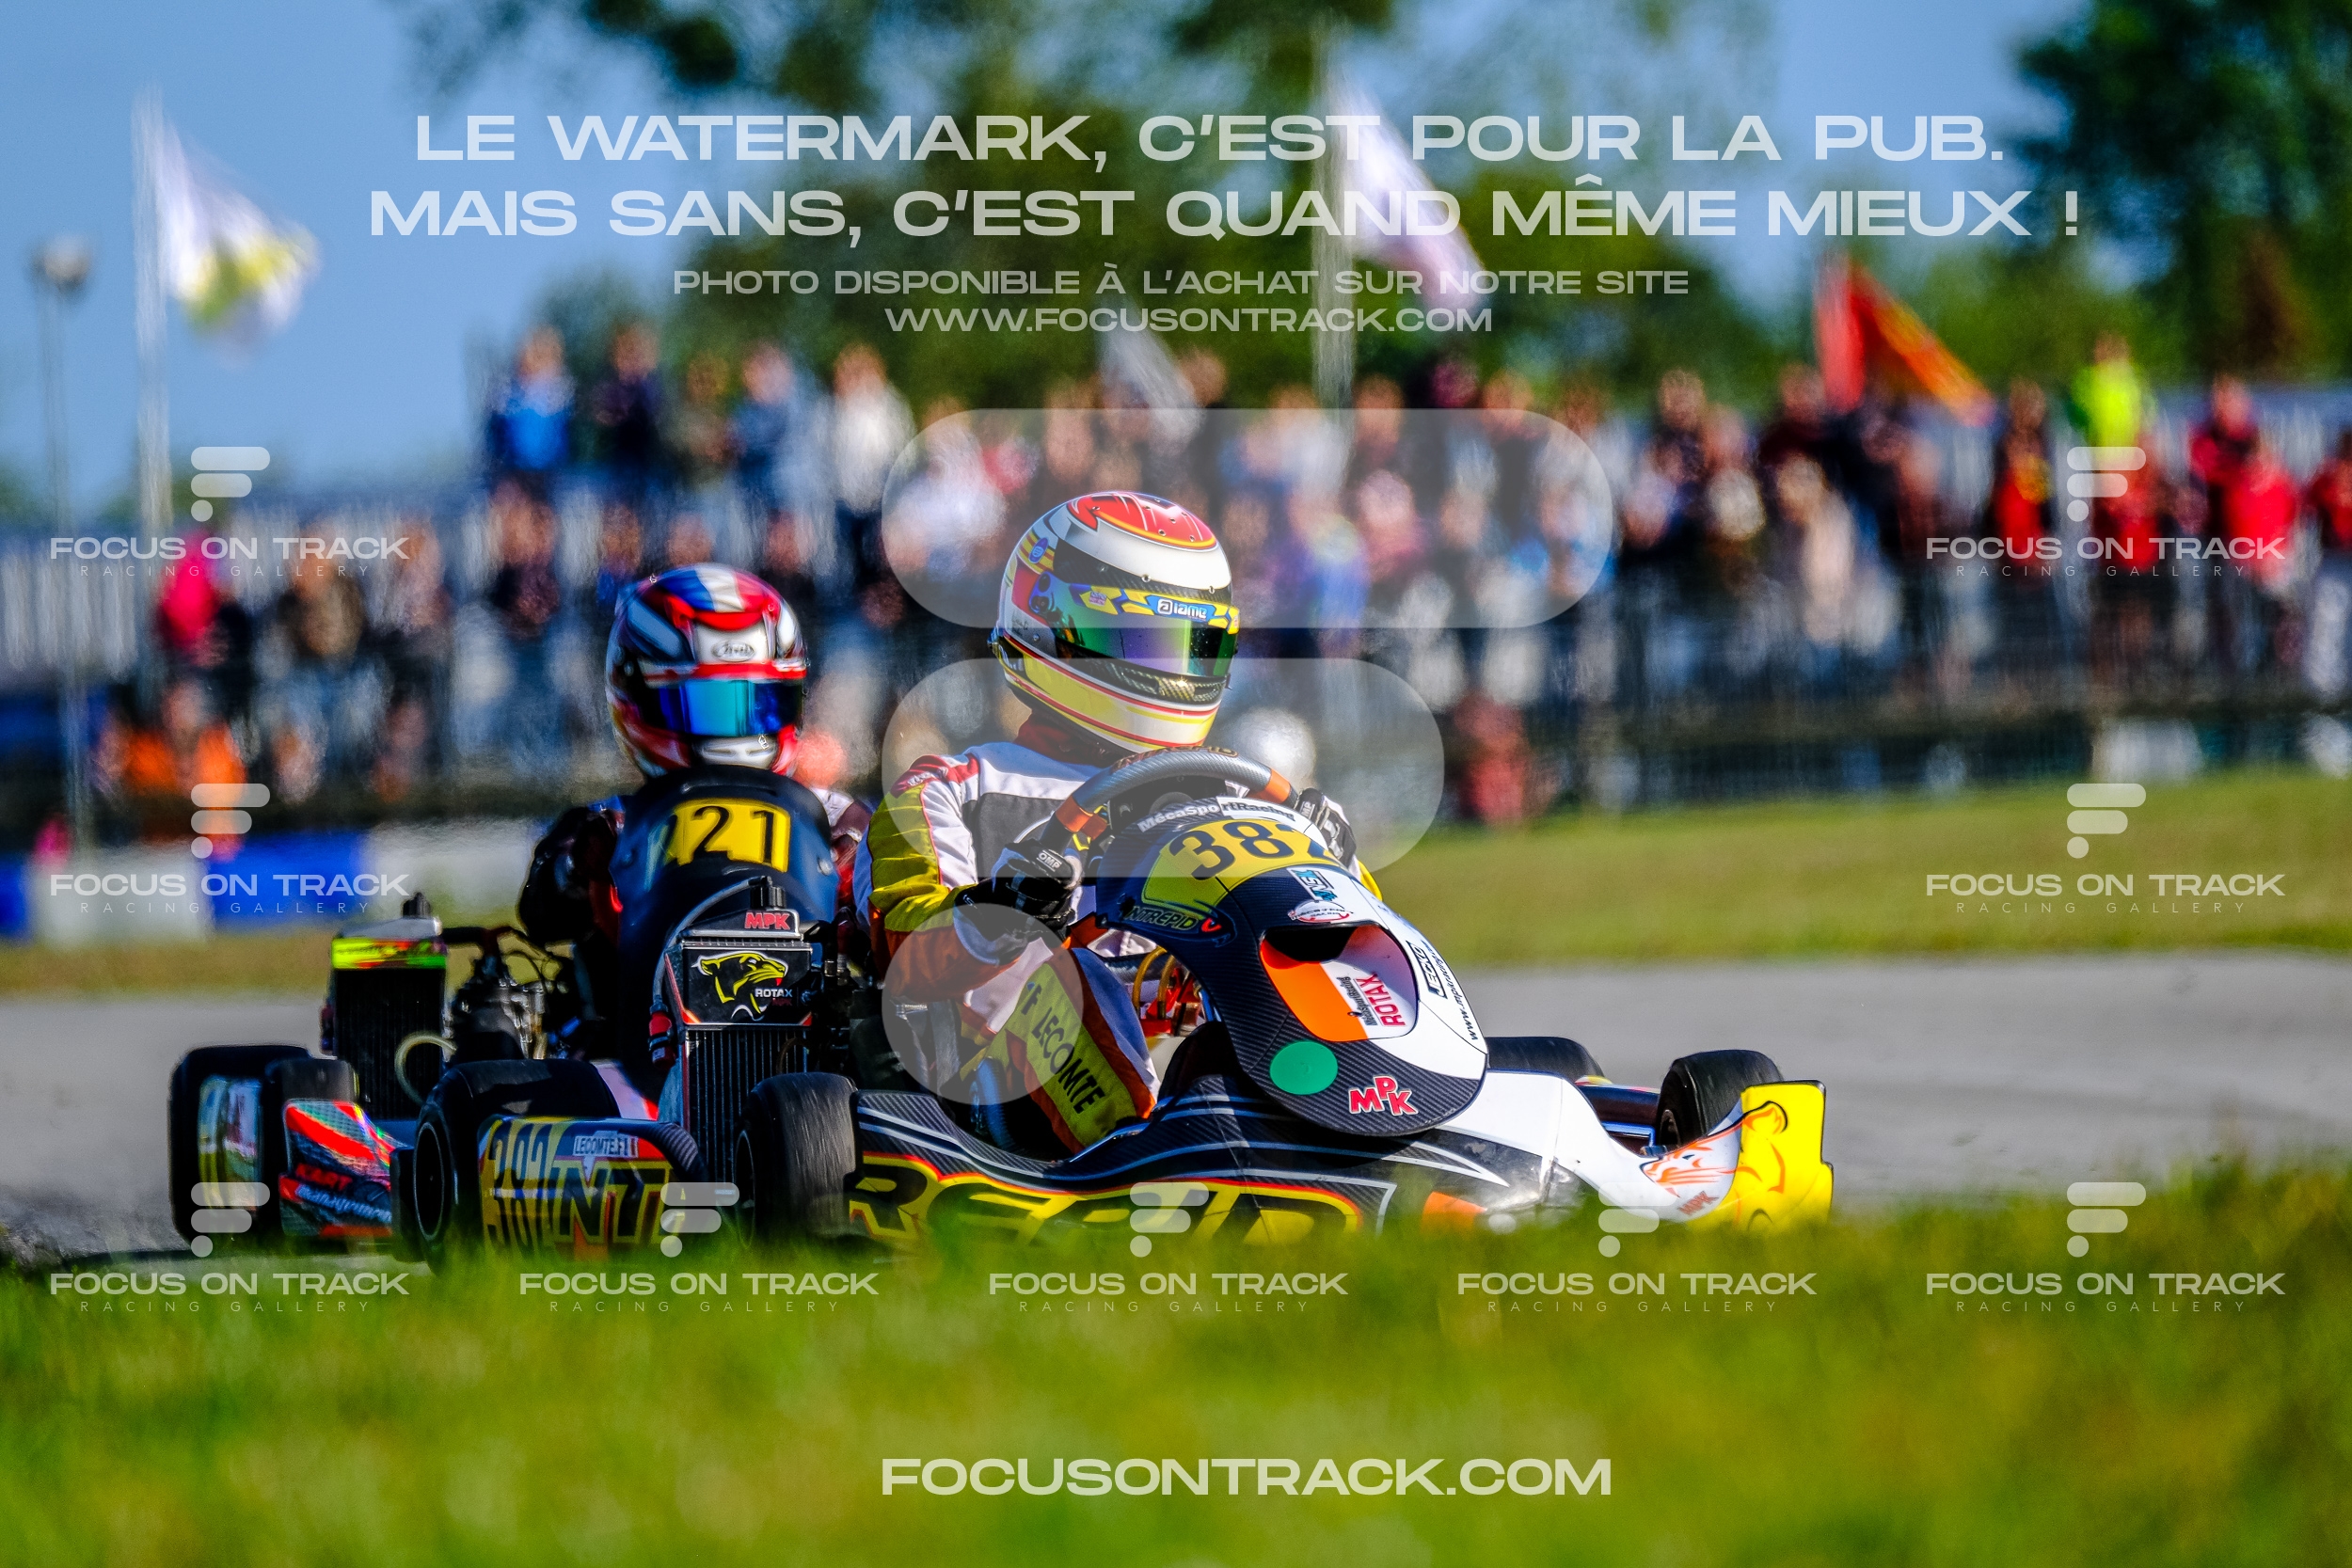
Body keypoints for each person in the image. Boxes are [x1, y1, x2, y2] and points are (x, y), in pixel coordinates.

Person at [853, 491, 1361, 1157]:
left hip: (1192, 1059)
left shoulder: (1235, 790)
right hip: (996, 1093)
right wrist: (1001, 911)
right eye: (1145, 641)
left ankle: (1360, 1118)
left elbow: (1354, 947)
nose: (1174, 669)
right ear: (1053, 630)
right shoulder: (950, 790)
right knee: (1076, 980)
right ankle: (1147, 1155)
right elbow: (903, 947)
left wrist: (1332, 863)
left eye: (1195, 647)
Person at [515, 564, 869, 1092]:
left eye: (756, 704)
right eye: (711, 707)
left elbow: (894, 933)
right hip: (634, 1076)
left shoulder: (836, 821)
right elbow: (539, 912)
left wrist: (853, 895)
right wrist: (579, 868)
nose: (736, 731)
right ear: (636, 696)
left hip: (807, 1076)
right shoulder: (611, 824)